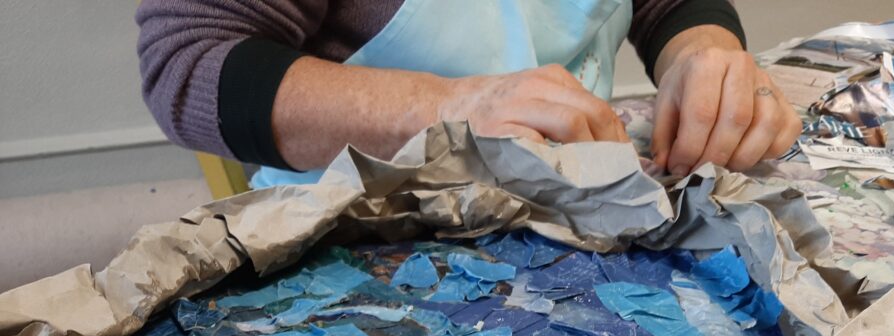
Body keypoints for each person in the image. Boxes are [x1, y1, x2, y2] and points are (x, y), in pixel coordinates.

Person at [137, 0, 802, 188]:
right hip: (367, 233)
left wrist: (704, 54)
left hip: (578, 200)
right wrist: (451, 110)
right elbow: (188, 62)